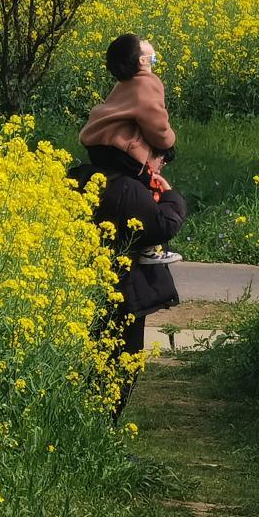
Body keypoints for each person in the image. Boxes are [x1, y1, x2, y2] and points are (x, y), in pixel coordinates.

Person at [68, 146, 187, 419]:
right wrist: (170, 196)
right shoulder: (127, 187)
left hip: (82, 289)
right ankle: (100, 435)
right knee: (122, 365)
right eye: (160, 157)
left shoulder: (81, 176)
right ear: (143, 152)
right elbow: (162, 226)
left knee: (96, 364)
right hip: (124, 294)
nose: (162, 165)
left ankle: (90, 433)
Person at [80, 33, 181, 264]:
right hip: (121, 152)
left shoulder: (123, 83)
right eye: (151, 57)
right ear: (142, 62)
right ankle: (149, 248)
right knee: (149, 189)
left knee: (121, 192)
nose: (148, 43)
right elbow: (156, 123)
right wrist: (169, 143)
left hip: (99, 148)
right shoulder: (147, 82)